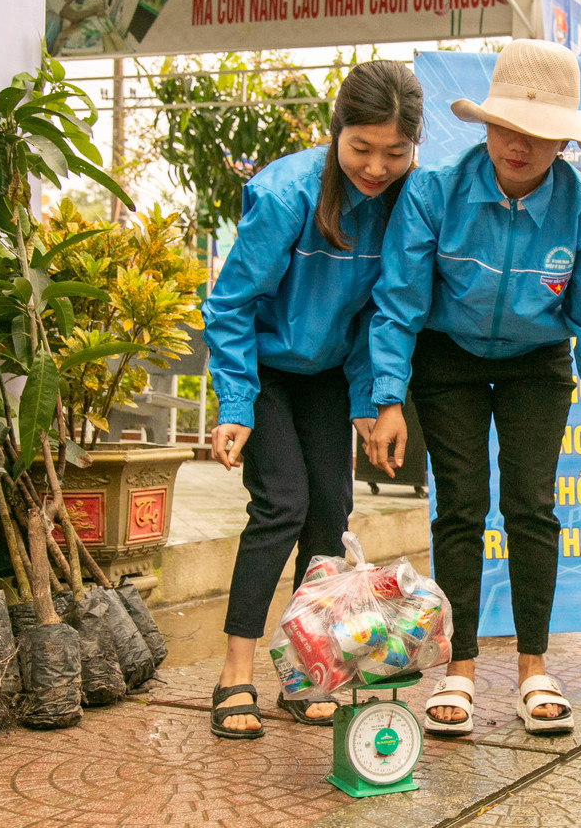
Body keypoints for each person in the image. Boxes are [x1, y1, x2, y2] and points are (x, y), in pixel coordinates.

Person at [366, 39, 581, 737]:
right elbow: (399, 302)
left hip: (535, 362)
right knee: (460, 504)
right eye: (507, 125)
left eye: (540, 132)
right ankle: (457, 669)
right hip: (447, 357)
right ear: (486, 123)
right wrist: (389, 398)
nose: (520, 143)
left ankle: (532, 667)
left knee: (531, 504)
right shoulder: (434, 193)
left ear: (563, 143)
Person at [200, 61, 423, 739]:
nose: (377, 167)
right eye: (361, 148)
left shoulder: (402, 205)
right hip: (264, 366)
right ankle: (234, 672)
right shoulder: (287, 195)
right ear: (336, 133)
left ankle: (306, 669)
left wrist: (370, 399)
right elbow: (230, 304)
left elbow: (374, 316)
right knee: (282, 503)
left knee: (330, 508)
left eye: (395, 152)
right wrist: (236, 403)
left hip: (327, 373)